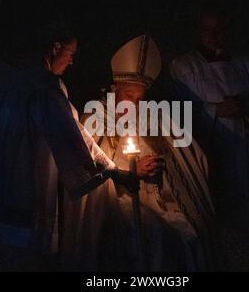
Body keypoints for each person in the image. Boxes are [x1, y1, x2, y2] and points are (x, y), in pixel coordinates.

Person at [0, 21, 134, 271]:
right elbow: (70, 136)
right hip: (11, 197)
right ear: (55, 47)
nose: (71, 62)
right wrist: (113, 171)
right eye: (70, 53)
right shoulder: (42, 86)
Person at [71, 34, 217, 271]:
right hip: (117, 202)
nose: (135, 104)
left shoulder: (156, 117)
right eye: (129, 96)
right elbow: (86, 171)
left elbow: (192, 160)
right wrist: (130, 171)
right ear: (114, 88)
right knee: (151, 236)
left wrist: (166, 169)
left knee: (191, 231)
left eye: (140, 98)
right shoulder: (95, 119)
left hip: (162, 201)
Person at [169, 4, 249, 270]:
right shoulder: (184, 68)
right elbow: (178, 114)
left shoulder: (244, 63)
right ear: (197, 32)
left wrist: (247, 108)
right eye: (207, 30)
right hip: (211, 157)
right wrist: (214, 111)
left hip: (246, 157)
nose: (214, 36)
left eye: (220, 30)